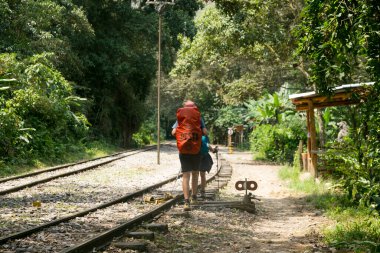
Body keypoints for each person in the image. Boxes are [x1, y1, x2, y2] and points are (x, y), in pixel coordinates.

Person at [172, 100, 207, 211]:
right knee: (195, 174)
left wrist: (183, 134)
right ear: (194, 108)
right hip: (196, 150)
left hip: (184, 150)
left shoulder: (180, 118)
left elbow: (173, 133)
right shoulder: (199, 118)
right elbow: (205, 132)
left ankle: (186, 202)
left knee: (186, 176)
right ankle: (194, 197)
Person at [198, 134, 217, 199]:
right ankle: (203, 191)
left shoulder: (193, 133)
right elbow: (207, 145)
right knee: (202, 175)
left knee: (194, 174)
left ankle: (193, 193)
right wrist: (213, 150)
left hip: (195, 156)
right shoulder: (204, 136)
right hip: (203, 156)